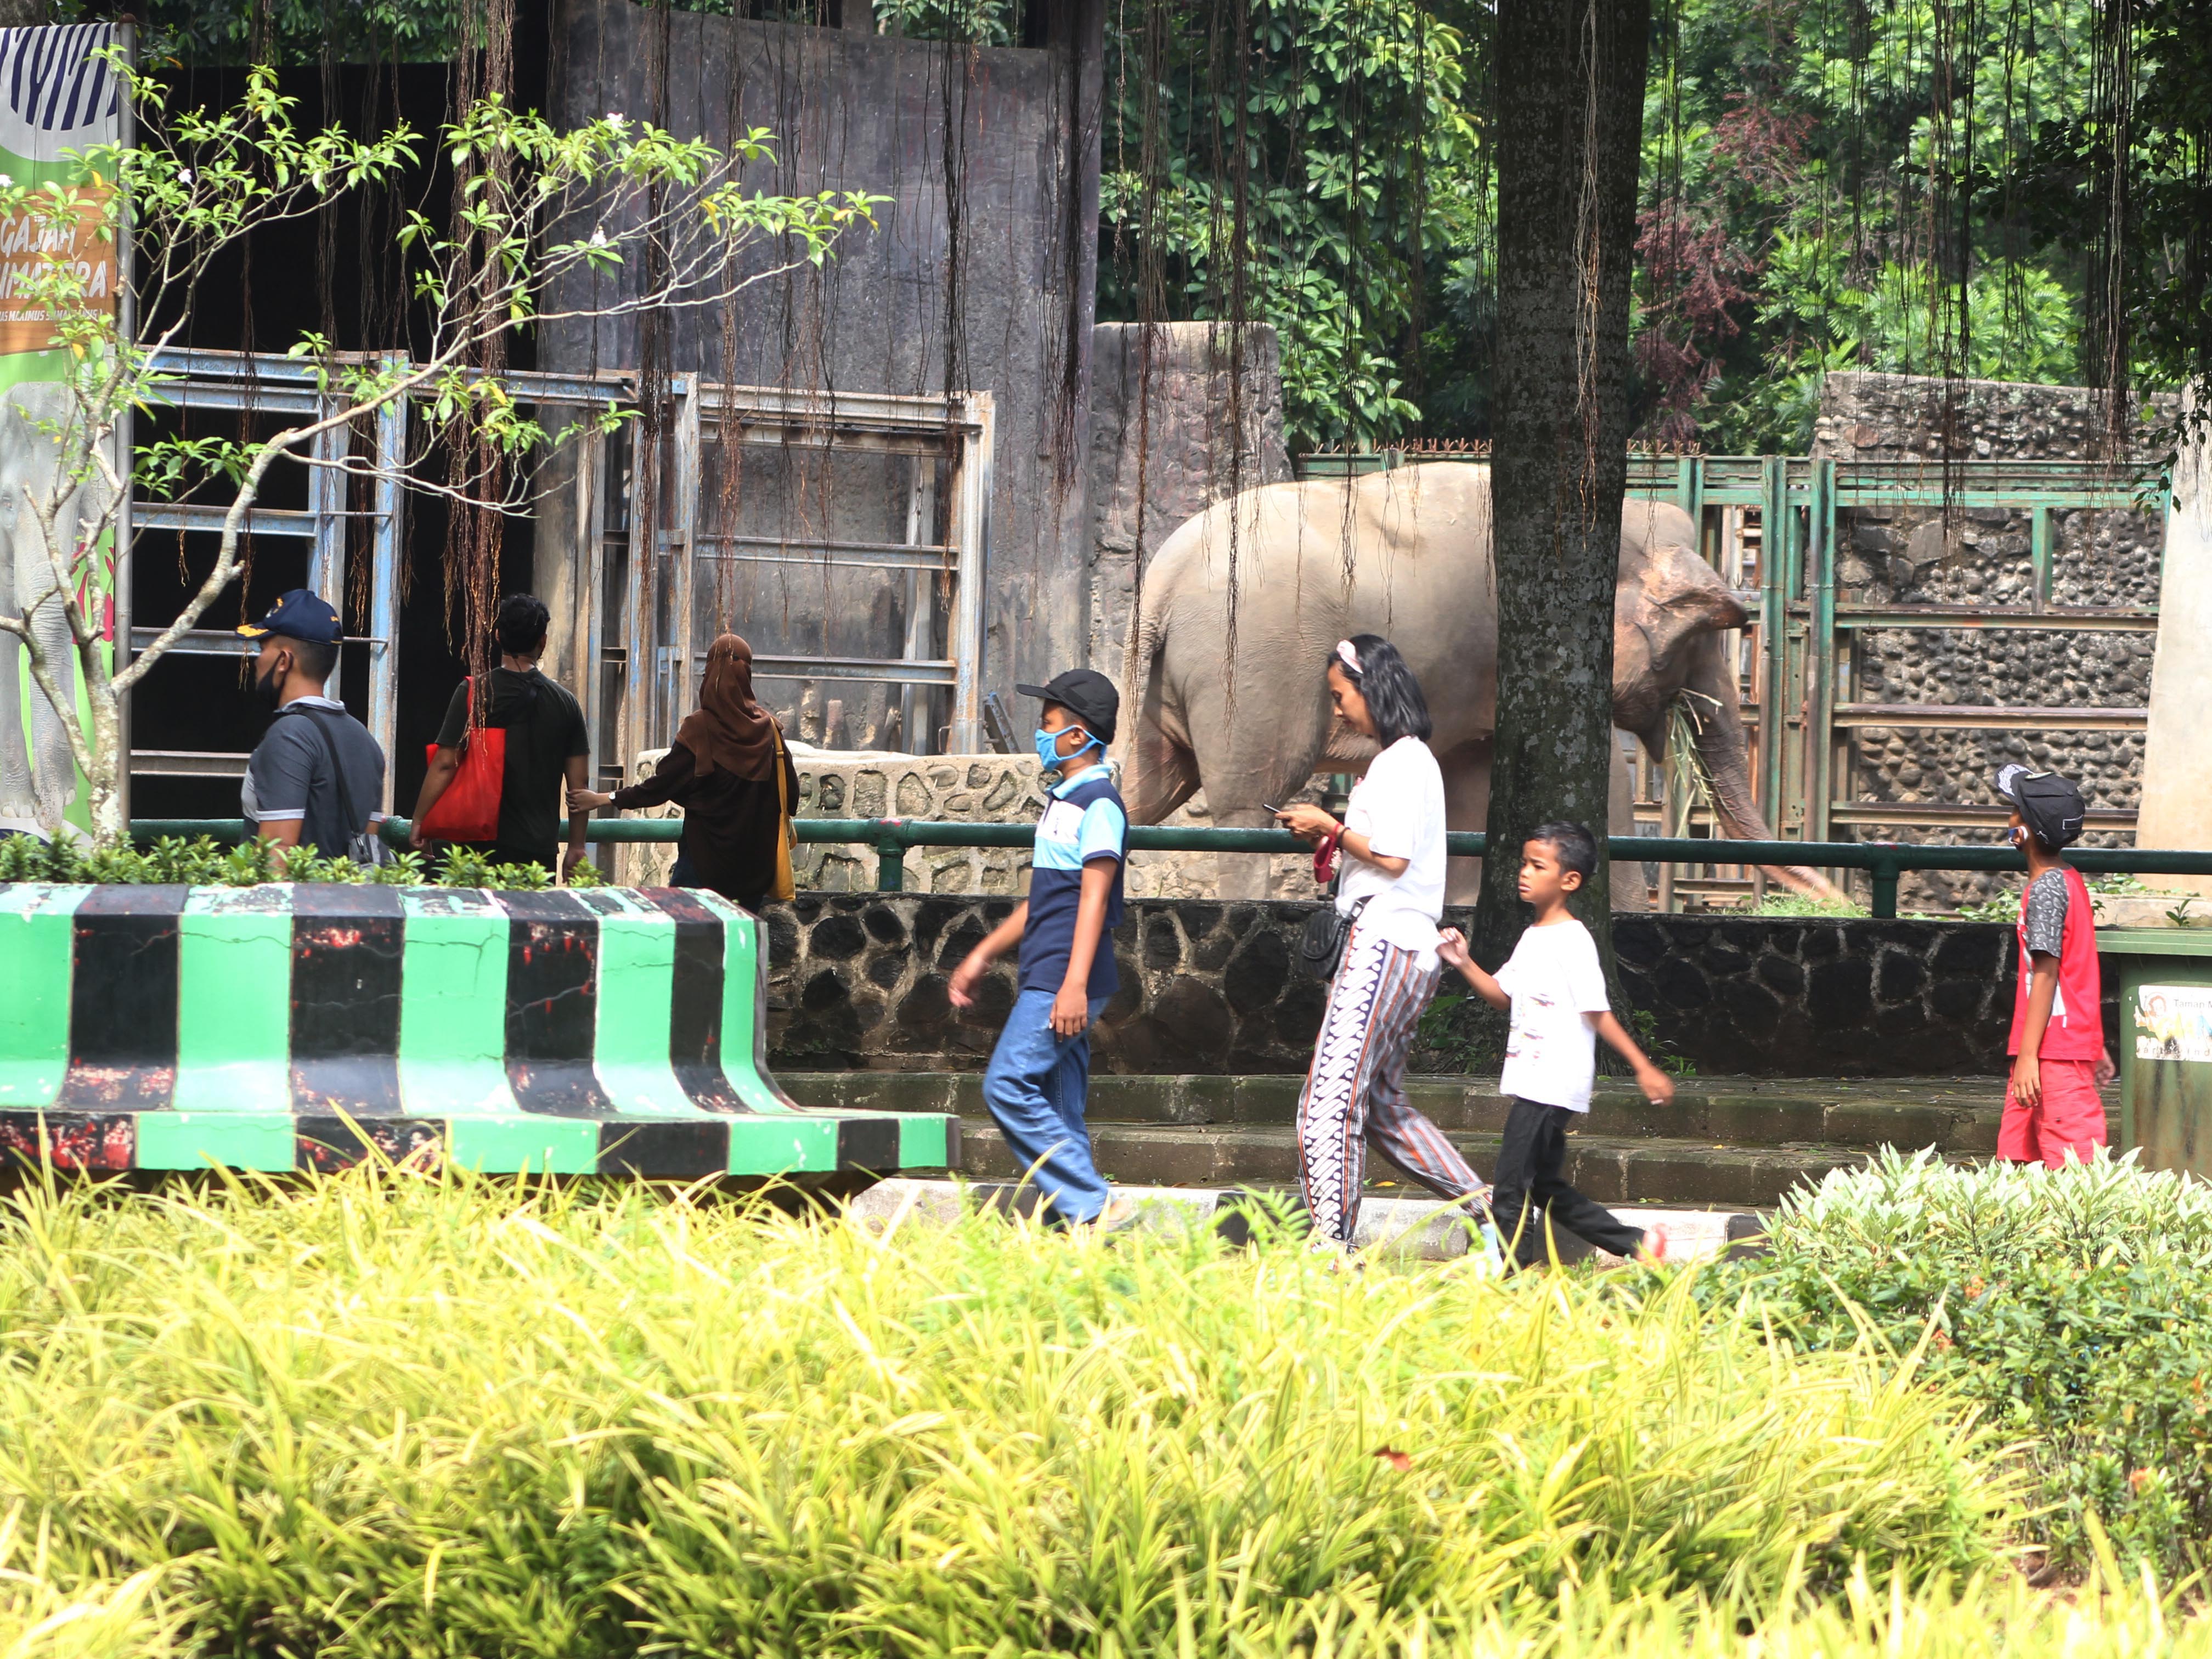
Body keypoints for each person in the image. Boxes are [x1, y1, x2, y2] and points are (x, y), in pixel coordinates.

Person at [1275, 636, 1490, 1254]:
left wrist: (1329, 827)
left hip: (1383, 942)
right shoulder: (1405, 761)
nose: (1338, 711)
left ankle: (1331, 1252)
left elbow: (1391, 858)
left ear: (1370, 687)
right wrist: (1335, 834)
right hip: (1403, 945)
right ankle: (1501, 1216)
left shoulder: (1403, 761)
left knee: (1327, 1108)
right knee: (1384, 1111)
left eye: (1340, 696)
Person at [947, 668, 1135, 1231]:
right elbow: (1045, 901)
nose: (1040, 733)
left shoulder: (1099, 804)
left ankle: (1095, 1205)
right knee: (1057, 1111)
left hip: (1063, 979)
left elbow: (1094, 901)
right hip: (1049, 972)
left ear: (1078, 736)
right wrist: (984, 953)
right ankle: (1074, 1236)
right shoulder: (1064, 801)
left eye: (1048, 723)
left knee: (1006, 1084)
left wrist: (1074, 983)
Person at [1436, 822, 1672, 1268]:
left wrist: (1644, 1067)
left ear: (1569, 881)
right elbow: (1503, 996)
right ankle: (1638, 1244)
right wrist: (1463, 962)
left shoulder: (1574, 940)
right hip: (1534, 1081)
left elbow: (1596, 1011)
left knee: (1511, 1185)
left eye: (1537, 865)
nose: (1524, 872)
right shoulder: (1533, 936)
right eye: (1524, 862)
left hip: (1551, 1083)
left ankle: (1507, 1273)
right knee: (1543, 1185)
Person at [567, 633, 799, 907]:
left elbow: (662, 784)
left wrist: (605, 798)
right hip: (754, 875)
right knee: (740, 948)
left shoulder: (701, 729)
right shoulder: (771, 731)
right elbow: (792, 798)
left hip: (703, 869)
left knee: (689, 945)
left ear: (710, 673)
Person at [414, 594, 592, 878]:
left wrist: (420, 821)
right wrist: (577, 846)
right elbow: (579, 786)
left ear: (498, 636)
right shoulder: (566, 703)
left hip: (477, 844)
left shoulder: (473, 693)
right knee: (529, 923)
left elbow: (446, 763)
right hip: (537, 853)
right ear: (542, 641)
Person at [1995, 764, 2116, 1168]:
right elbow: (2078, 972)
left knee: (2073, 1165)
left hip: (2052, 1052)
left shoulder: (2046, 889)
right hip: (2056, 1047)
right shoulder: (2069, 879)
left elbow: (2047, 974)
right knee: (2018, 1159)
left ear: (2026, 830)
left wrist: (2029, 1056)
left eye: (2014, 811)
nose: (2008, 819)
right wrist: (2093, 1044)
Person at [237, 588, 387, 866]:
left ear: (284, 661)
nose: (257, 661)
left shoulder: (288, 736)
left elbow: (276, 859)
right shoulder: (365, 740)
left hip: (299, 907)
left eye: (262, 648)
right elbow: (368, 849)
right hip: (353, 904)